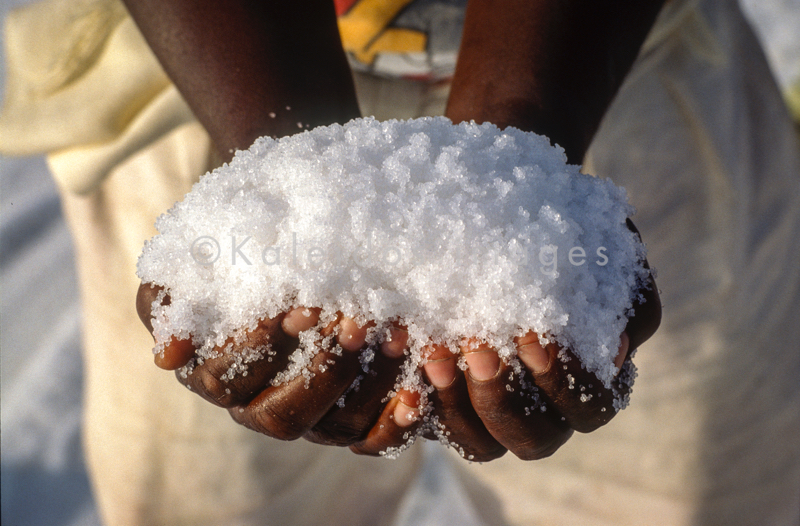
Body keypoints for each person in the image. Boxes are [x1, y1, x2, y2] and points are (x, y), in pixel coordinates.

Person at [1, 0, 798, 525]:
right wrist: (262, 176)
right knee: (210, 502)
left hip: (613, 60)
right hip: (204, 69)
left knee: (687, 495)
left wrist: (519, 168)